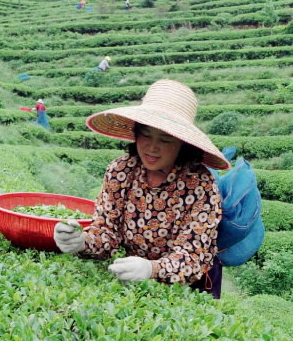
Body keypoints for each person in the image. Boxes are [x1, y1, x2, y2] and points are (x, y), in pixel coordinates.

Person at [53, 79, 230, 298]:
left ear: (183, 144)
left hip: (188, 288)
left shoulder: (200, 185)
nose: (152, 147)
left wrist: (151, 269)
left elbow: (192, 257)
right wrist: (82, 242)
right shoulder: (121, 171)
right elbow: (107, 231)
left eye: (165, 139)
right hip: (133, 281)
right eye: (146, 134)